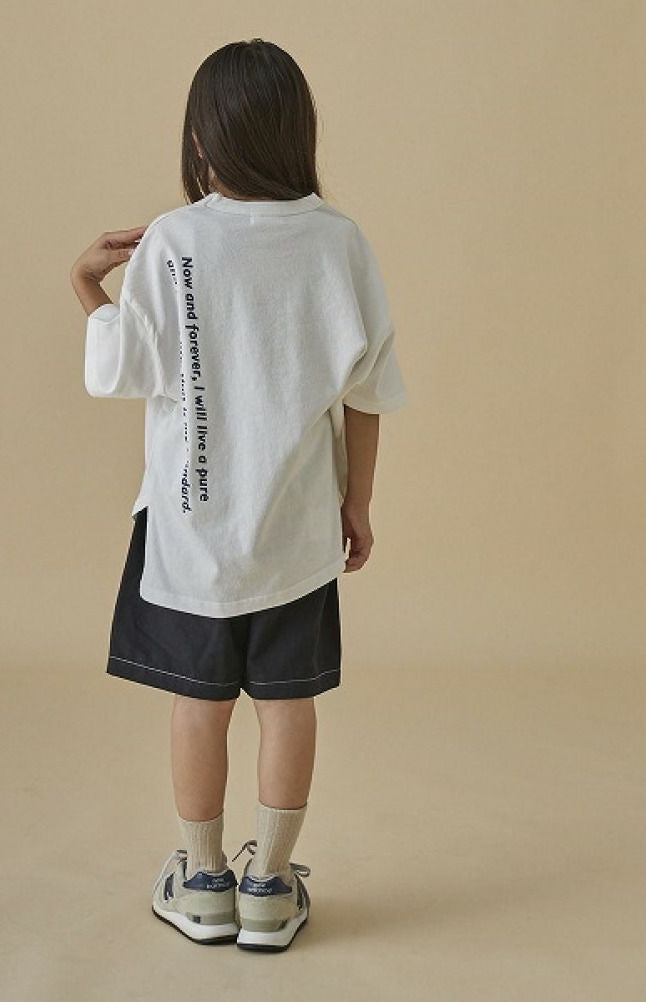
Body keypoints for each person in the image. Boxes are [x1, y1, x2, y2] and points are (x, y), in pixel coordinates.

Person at [70, 38, 407, 952]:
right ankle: (269, 887)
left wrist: (85, 285)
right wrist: (357, 504)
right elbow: (367, 392)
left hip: (191, 527)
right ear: (298, 132)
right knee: (288, 701)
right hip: (295, 528)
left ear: (201, 139)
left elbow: (124, 372)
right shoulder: (339, 242)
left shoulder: (174, 240)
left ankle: (203, 880)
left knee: (200, 703)